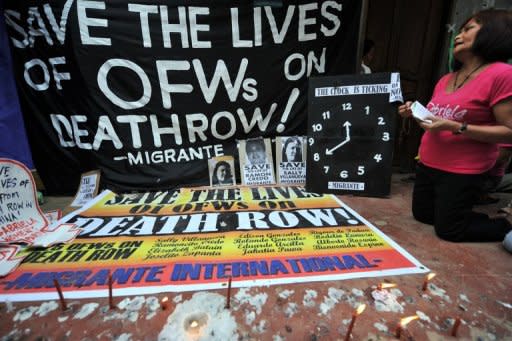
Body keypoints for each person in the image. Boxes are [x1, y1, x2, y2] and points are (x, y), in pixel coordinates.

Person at [398, 9, 512, 246]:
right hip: (429, 163)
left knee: (449, 230)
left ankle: (505, 225)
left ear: (493, 33)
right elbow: (434, 124)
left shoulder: (502, 74)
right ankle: (457, 213)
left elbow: (509, 131)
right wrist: (415, 113)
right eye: (459, 30)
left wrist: (458, 127)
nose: (459, 35)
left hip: (463, 169)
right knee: (423, 215)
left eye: (468, 28)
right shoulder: (446, 79)